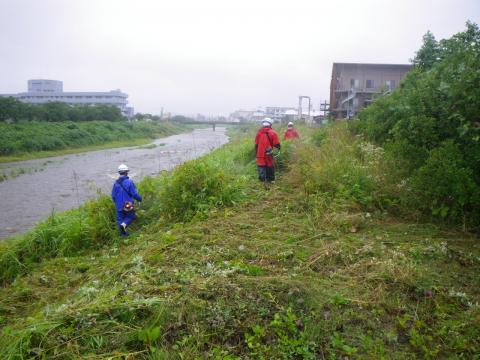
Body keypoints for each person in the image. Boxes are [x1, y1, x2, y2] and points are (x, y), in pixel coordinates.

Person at [111, 164, 142, 236]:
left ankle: (124, 237)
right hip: (127, 205)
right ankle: (123, 226)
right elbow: (134, 194)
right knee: (131, 216)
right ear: (126, 172)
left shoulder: (116, 183)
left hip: (118, 205)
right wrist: (140, 199)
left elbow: (113, 196)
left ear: (119, 172)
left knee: (120, 220)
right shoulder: (129, 182)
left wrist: (117, 203)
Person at [254, 118, 280, 183]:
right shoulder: (273, 133)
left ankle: (262, 181)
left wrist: (256, 153)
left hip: (260, 154)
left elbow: (256, 144)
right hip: (268, 153)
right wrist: (278, 148)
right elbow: (276, 144)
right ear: (270, 124)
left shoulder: (259, 133)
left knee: (261, 167)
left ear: (263, 124)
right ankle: (271, 180)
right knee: (270, 166)